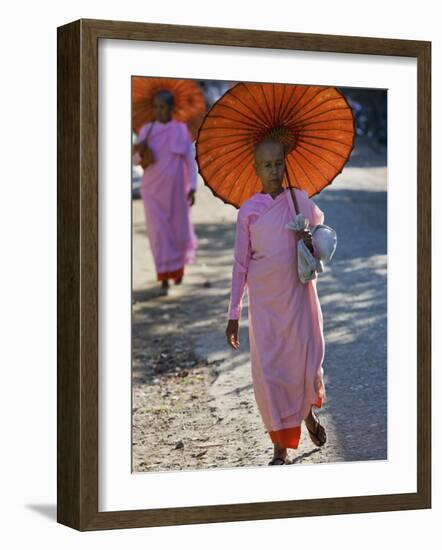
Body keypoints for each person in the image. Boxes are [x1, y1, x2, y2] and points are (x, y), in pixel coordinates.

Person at [225, 138, 327, 466]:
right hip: (265, 304)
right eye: (267, 165)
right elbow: (241, 264)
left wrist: (309, 239)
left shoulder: (298, 200)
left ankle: (306, 415)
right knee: (269, 371)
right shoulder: (249, 212)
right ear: (255, 168)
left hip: (296, 298)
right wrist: (233, 313)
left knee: (297, 364)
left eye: (279, 163)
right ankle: (279, 449)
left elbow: (323, 239)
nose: (274, 170)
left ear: (285, 163)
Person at [133, 90, 198, 295]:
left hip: (177, 191)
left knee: (178, 231)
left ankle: (178, 270)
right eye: (156, 106)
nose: (158, 111)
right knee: (158, 233)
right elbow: (136, 162)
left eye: (162, 107)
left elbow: (189, 160)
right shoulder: (146, 130)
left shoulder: (181, 130)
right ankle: (163, 276)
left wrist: (193, 187)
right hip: (152, 190)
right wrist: (138, 149)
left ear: (171, 108)